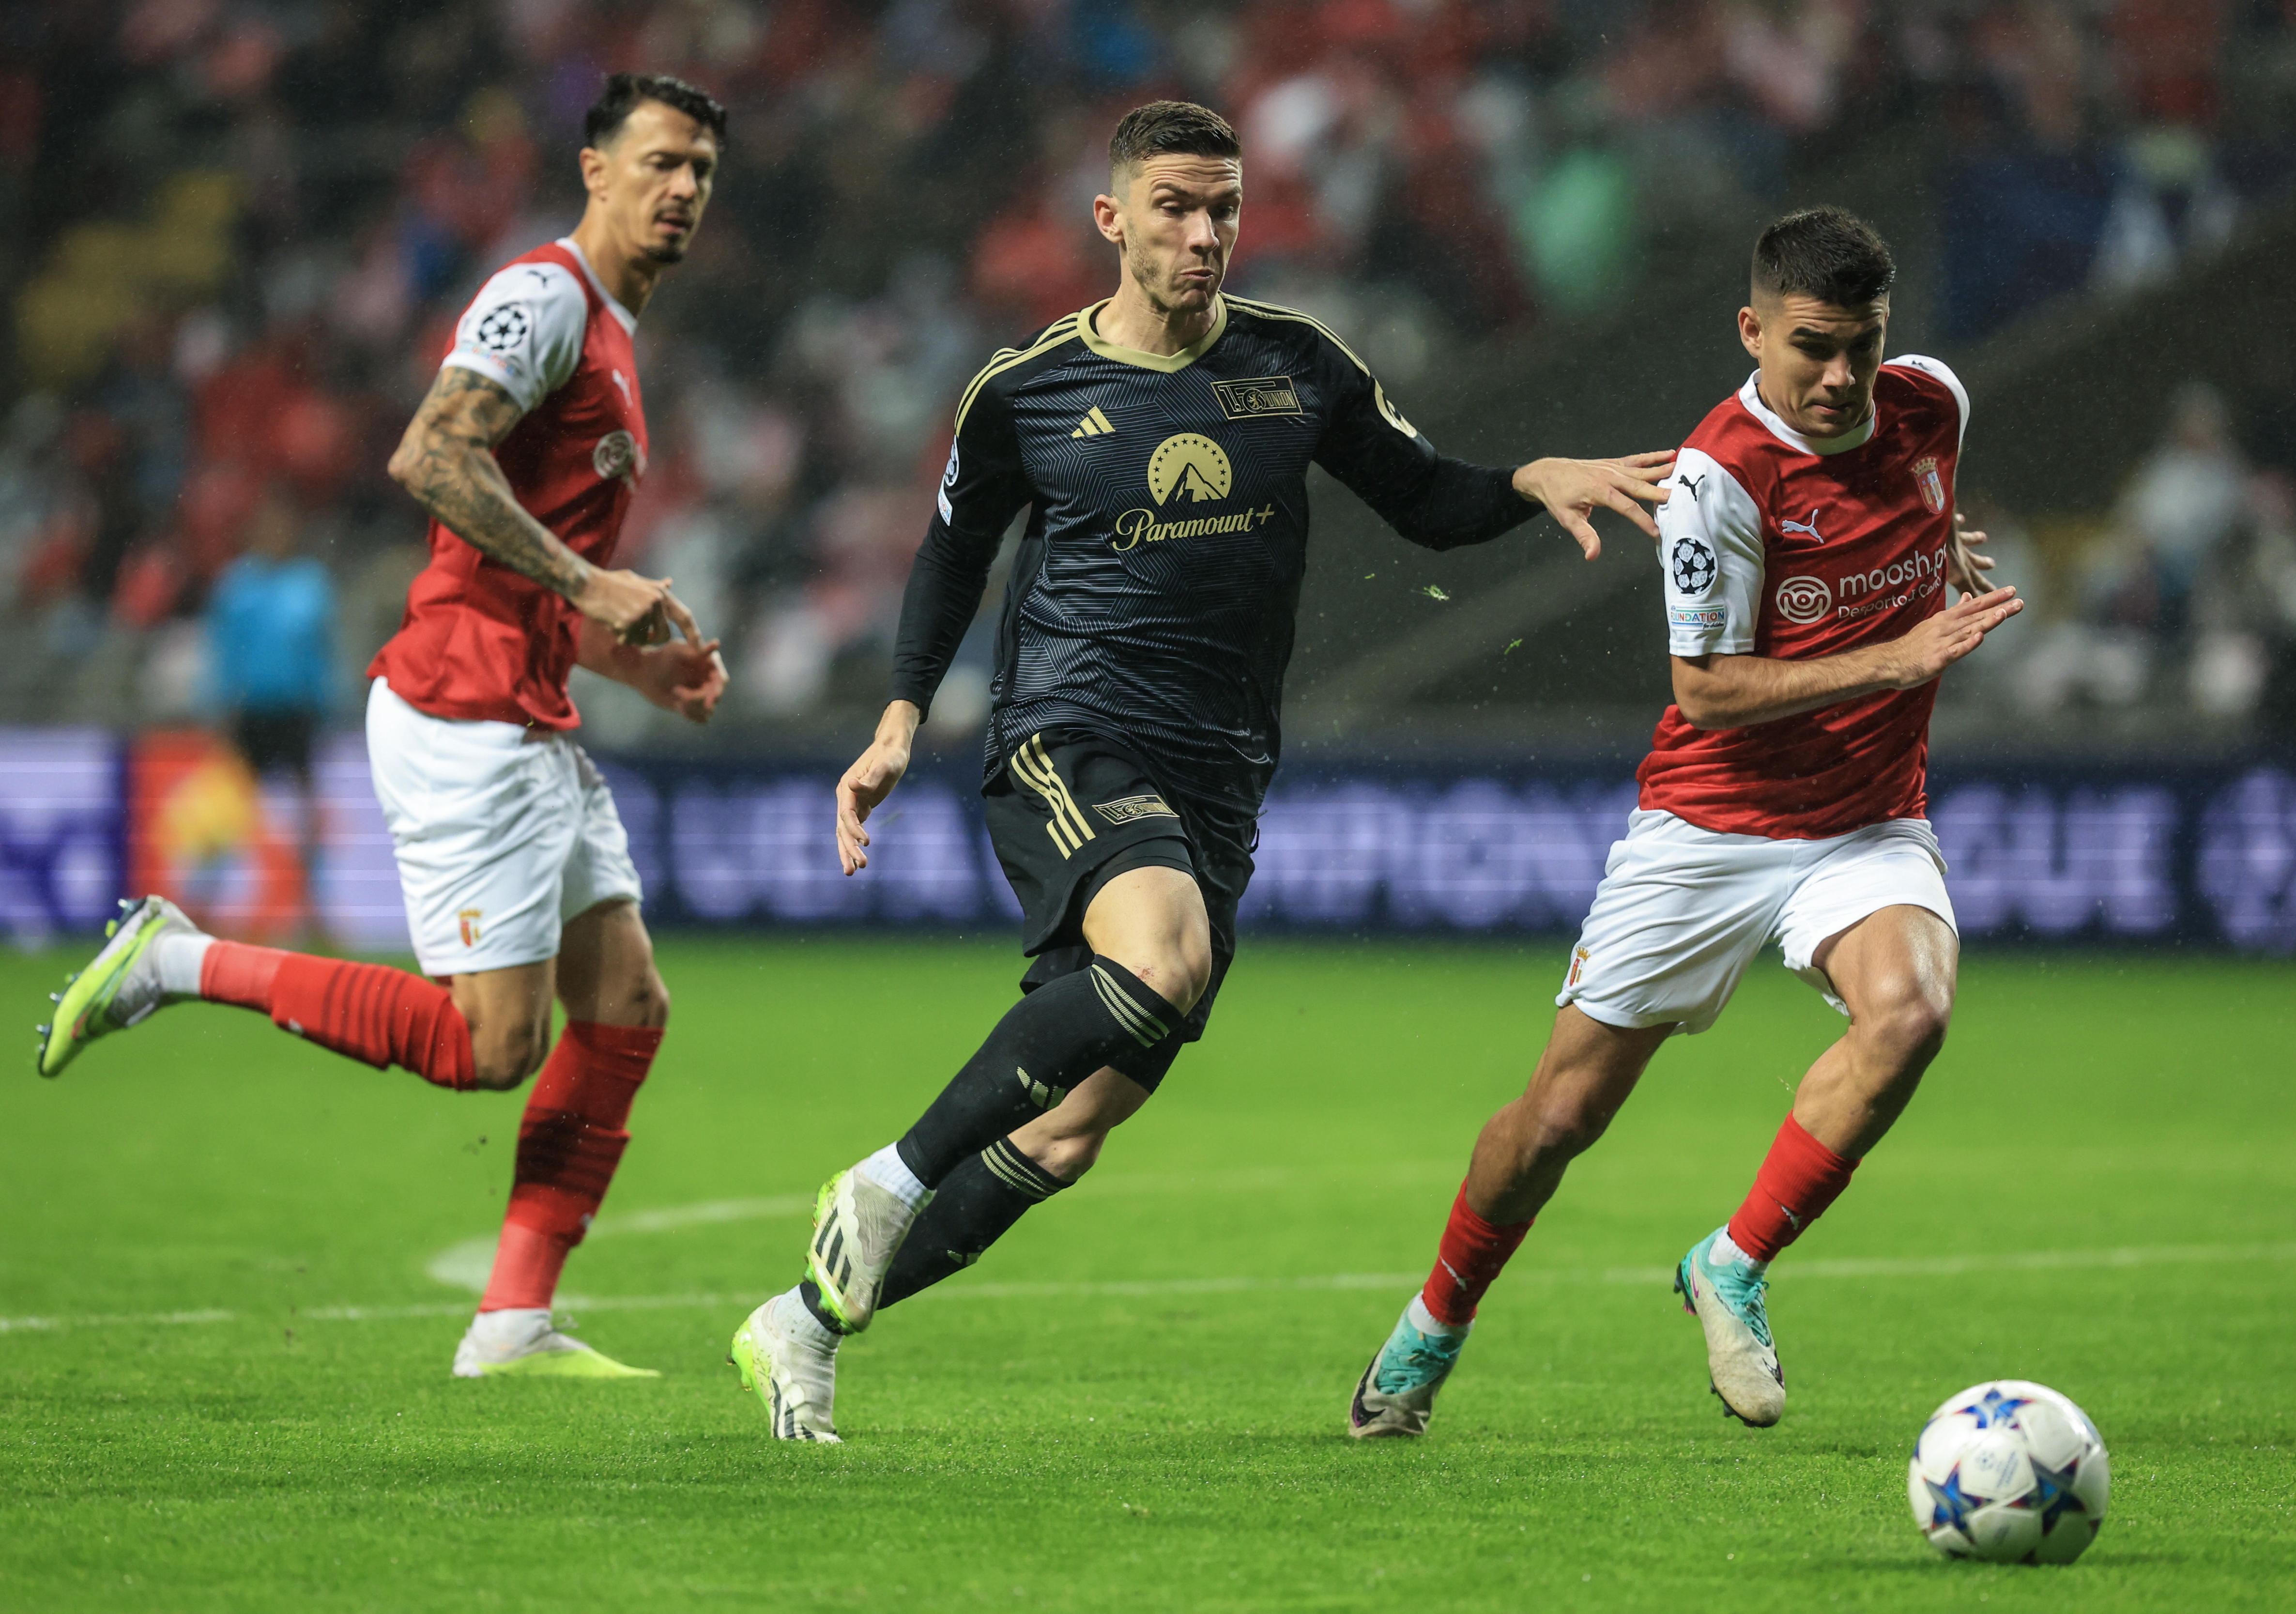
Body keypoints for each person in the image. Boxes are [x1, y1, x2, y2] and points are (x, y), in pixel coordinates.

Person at [727, 100, 1674, 1444]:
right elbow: (952, 555)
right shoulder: (1027, 389)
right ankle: (885, 1178)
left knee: (1070, 1132)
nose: (1204, 231)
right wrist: (896, 718)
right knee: (1160, 958)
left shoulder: (1298, 368)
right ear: (1110, 219)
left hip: (1222, 779)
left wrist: (1530, 477)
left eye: (1224, 206)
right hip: (1069, 733)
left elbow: (1425, 500)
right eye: (1174, 204)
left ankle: (800, 1326)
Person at [39, 74, 733, 1381]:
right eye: (660, 162)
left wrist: (631, 665)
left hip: (528, 700)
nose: (683, 188)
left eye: (702, 169)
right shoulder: (544, 302)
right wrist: (591, 586)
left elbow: (518, 561)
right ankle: (175, 962)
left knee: (627, 1004)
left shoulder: (619, 332)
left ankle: (512, 1319)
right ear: (594, 168)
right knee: (492, 1045)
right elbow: (429, 456)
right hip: (466, 711)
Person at [1345, 206, 2021, 1438]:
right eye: (1811, 346)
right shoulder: (1718, 476)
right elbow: (1704, 691)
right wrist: (1895, 654)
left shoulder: (1936, 405)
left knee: (1911, 1012)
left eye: (1861, 347)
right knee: (1558, 1119)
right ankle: (1434, 1320)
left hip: (1867, 823)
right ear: (1751, 329)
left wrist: (1939, 555)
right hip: (1710, 824)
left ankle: (1733, 1262)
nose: (1838, 376)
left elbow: (1910, 510)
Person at [207, 484, 338, 928]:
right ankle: (208, 901)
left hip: (297, 712)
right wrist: (221, 710)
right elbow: (224, 655)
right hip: (251, 712)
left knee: (307, 812)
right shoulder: (237, 586)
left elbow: (321, 651)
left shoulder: (310, 585)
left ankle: (314, 907)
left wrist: (327, 703)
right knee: (230, 809)